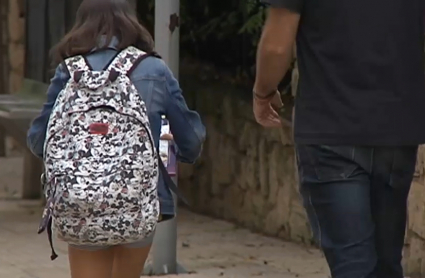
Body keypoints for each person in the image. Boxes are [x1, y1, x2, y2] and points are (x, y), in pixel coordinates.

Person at [26, 0, 206, 277]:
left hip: (79, 202)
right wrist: (171, 151)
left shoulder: (69, 72)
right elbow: (190, 141)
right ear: (130, 22)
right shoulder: (154, 70)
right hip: (139, 200)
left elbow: (38, 141)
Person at [253, 0, 425, 278]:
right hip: (396, 128)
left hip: (330, 130)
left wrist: (263, 93)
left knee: (353, 263)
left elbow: (276, 46)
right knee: (386, 263)